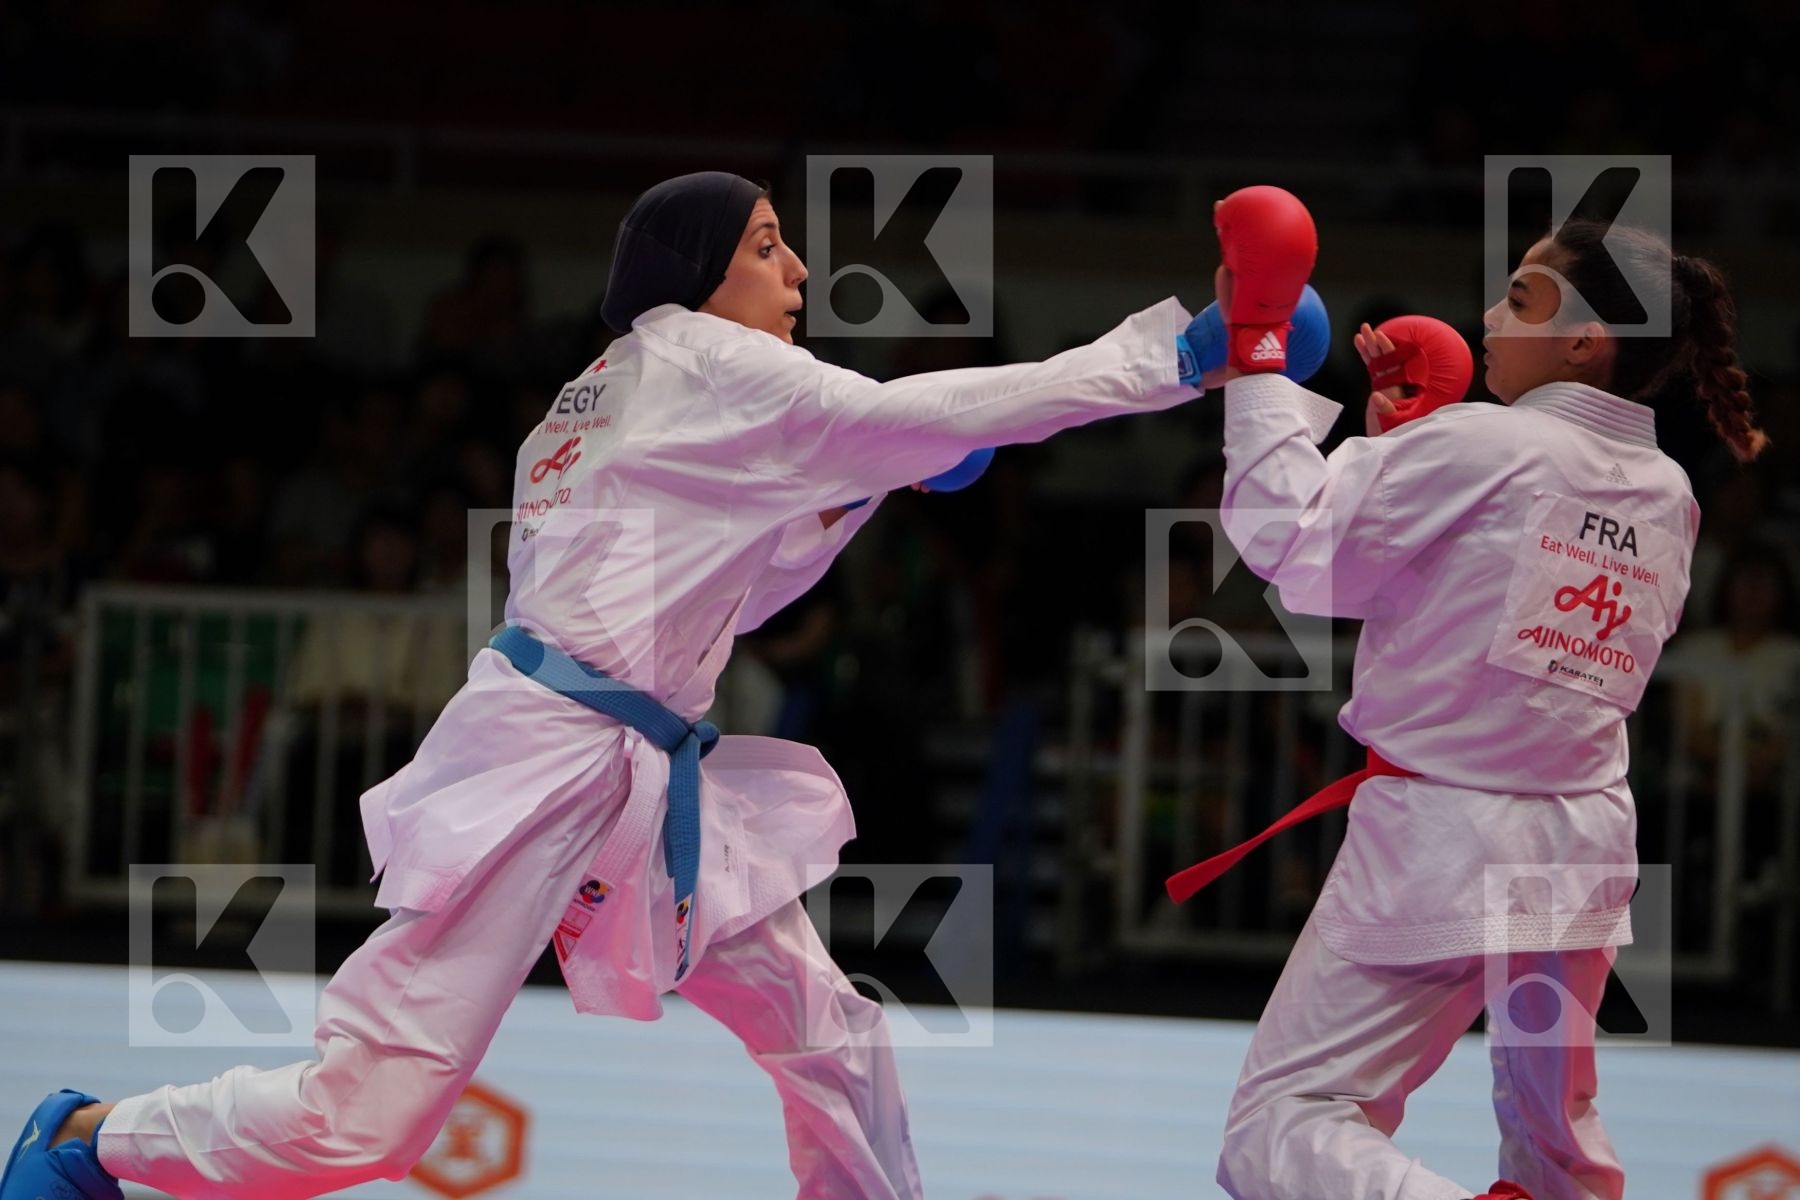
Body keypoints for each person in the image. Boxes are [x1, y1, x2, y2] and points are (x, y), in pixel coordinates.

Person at [3, 171, 1226, 1200]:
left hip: (634, 765)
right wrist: (1172, 355)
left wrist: (864, 487)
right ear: (699, 273)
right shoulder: (713, 364)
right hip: (550, 762)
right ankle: (84, 1139)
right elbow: (927, 403)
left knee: (829, 1032)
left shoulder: (596, 397)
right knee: (367, 1122)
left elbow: (730, 595)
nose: (799, 271)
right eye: (767, 246)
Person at [1177, 190, 1764, 1200]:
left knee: (1282, 1127)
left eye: (1522, 299)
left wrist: (1261, 361)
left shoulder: (1485, 445)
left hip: (1442, 842)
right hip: (1578, 853)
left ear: (1587, 342)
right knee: (1555, 1152)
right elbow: (1430, 595)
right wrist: (1398, 455)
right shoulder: (1670, 495)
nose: (1489, 316)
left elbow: (1294, 554)